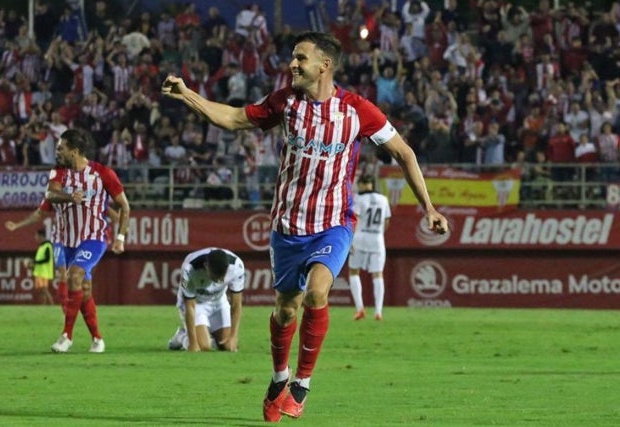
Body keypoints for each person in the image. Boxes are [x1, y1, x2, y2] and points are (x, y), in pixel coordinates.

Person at [161, 31, 448, 422]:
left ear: (324, 65)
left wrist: (428, 207)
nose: (292, 64)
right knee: (285, 309)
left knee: (317, 293)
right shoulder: (286, 103)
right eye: (293, 58)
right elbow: (232, 118)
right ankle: (279, 377)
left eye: (300, 58)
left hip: (334, 223)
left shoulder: (357, 110)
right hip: (288, 226)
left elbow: (403, 152)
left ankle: (302, 384)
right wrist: (188, 95)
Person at [46, 128, 131, 354]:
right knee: (83, 290)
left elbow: (124, 206)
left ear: (74, 151)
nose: (57, 153)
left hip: (94, 238)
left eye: (61, 149)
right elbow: (50, 195)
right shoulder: (59, 172)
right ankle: (97, 338)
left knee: (73, 275)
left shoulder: (103, 173)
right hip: (68, 240)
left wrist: (120, 237)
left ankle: (66, 336)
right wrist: (68, 197)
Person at [167, 247, 244, 352]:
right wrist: (192, 343)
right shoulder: (189, 270)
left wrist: (233, 337)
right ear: (206, 266)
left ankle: (205, 334)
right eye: (216, 277)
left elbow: (236, 304)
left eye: (222, 277)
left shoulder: (237, 266)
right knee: (203, 346)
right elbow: (189, 305)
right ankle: (181, 337)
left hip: (219, 302)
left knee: (226, 345)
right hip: (196, 304)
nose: (220, 281)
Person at [347, 175, 391, 321]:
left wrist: (350, 239)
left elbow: (356, 219)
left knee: (354, 271)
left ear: (362, 184)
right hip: (377, 238)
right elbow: (386, 221)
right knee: (378, 274)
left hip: (360, 237)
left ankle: (360, 308)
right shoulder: (383, 199)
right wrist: (379, 234)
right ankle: (378, 312)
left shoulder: (359, 198)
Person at [29, 228, 55, 305]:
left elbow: (47, 259)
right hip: (40, 272)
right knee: (41, 291)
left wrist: (34, 262)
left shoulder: (47, 246)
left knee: (44, 290)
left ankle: (52, 304)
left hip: (44, 272)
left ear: (41, 236)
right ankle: (43, 306)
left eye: (36, 235)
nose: (35, 237)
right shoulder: (42, 246)